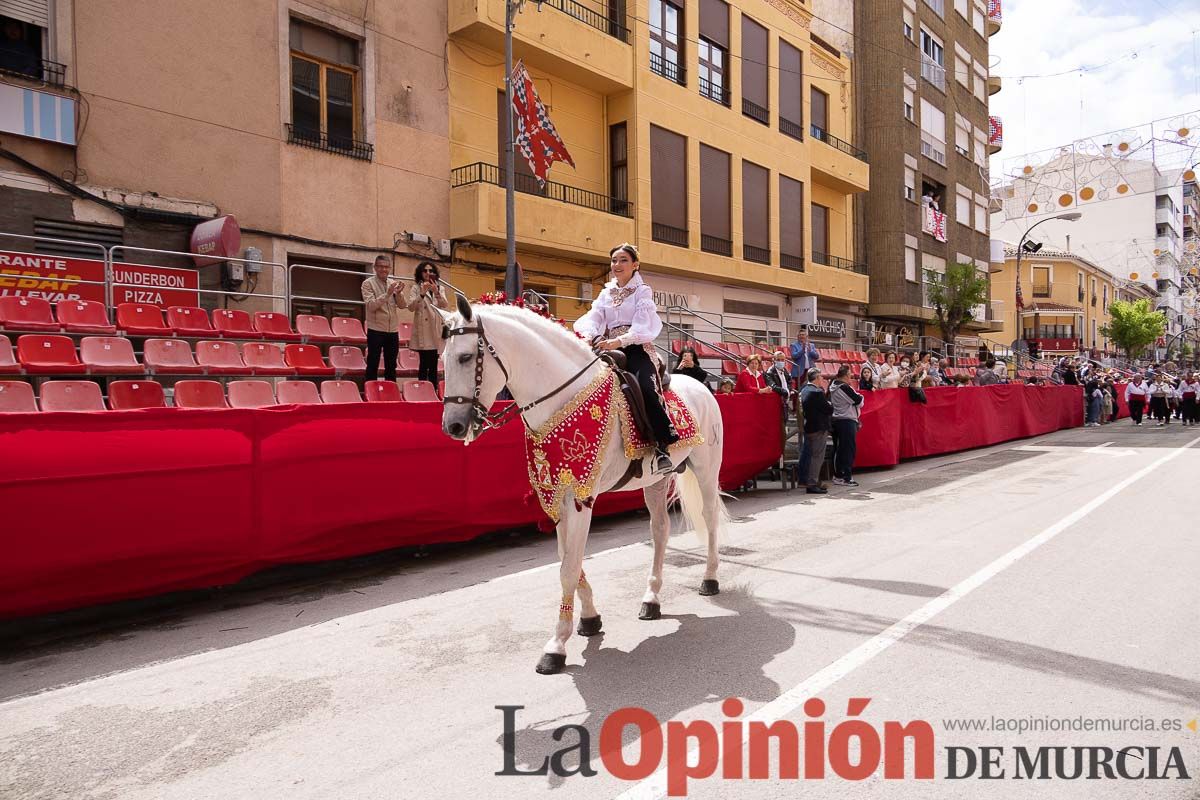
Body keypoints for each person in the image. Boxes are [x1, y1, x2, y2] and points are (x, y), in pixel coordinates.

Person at [574, 243, 679, 474]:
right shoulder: (605, 292)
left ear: (635, 264)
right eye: (614, 261)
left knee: (645, 387)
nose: (617, 265)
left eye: (623, 260)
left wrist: (619, 341)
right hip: (607, 347)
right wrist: (590, 336)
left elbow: (643, 326)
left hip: (635, 348)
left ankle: (662, 445)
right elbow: (594, 317)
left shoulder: (643, 291)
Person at [405, 260, 450, 388]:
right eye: (425, 270)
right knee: (424, 363)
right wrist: (422, 293)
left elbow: (445, 305)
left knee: (434, 364)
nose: (428, 273)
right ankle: (422, 390)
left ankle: (433, 390)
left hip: (435, 329)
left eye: (431, 271)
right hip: (424, 330)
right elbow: (411, 307)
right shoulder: (415, 288)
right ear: (420, 273)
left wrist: (436, 292)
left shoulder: (440, 287)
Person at [361, 254, 404, 383]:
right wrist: (388, 294)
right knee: (373, 363)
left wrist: (399, 294)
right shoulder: (367, 283)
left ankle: (391, 395)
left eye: (386, 267)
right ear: (375, 267)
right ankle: (370, 393)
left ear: (389, 268)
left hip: (392, 330)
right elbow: (371, 305)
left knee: (391, 365)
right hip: (376, 329)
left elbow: (403, 305)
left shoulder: (393, 283)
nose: (383, 270)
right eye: (380, 266)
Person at [798, 368, 834, 495]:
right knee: (817, 457)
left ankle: (807, 481)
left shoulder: (804, 390)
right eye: (821, 378)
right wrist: (829, 403)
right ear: (817, 378)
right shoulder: (817, 392)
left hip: (809, 426)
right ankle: (812, 483)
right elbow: (829, 408)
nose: (822, 380)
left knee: (808, 455)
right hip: (818, 427)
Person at [829, 365, 864, 487]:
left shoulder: (836, 386)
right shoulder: (842, 387)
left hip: (843, 420)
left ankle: (841, 475)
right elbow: (859, 400)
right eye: (850, 375)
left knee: (843, 449)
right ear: (845, 376)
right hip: (845, 421)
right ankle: (843, 476)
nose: (851, 377)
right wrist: (860, 397)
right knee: (846, 450)